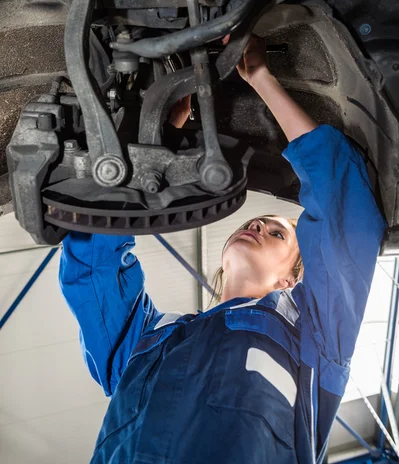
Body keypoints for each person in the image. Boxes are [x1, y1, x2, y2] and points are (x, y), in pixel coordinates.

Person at [59, 35, 387, 464]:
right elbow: (95, 266)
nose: (258, 223)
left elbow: (344, 214)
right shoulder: (152, 339)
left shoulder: (314, 338)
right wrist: (162, 141)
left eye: (276, 234)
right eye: (260, 223)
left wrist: (261, 81)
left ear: (292, 279)